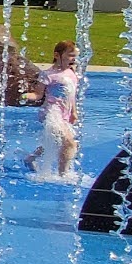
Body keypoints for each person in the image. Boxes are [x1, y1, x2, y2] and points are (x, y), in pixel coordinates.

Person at [26, 40, 84, 177]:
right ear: (57, 55)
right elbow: (38, 94)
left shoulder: (71, 72)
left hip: (64, 113)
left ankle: (30, 158)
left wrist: (73, 112)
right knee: (69, 143)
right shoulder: (48, 75)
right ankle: (63, 175)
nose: (73, 59)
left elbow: (71, 93)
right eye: (70, 55)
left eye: (75, 56)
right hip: (51, 113)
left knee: (55, 140)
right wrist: (27, 96)